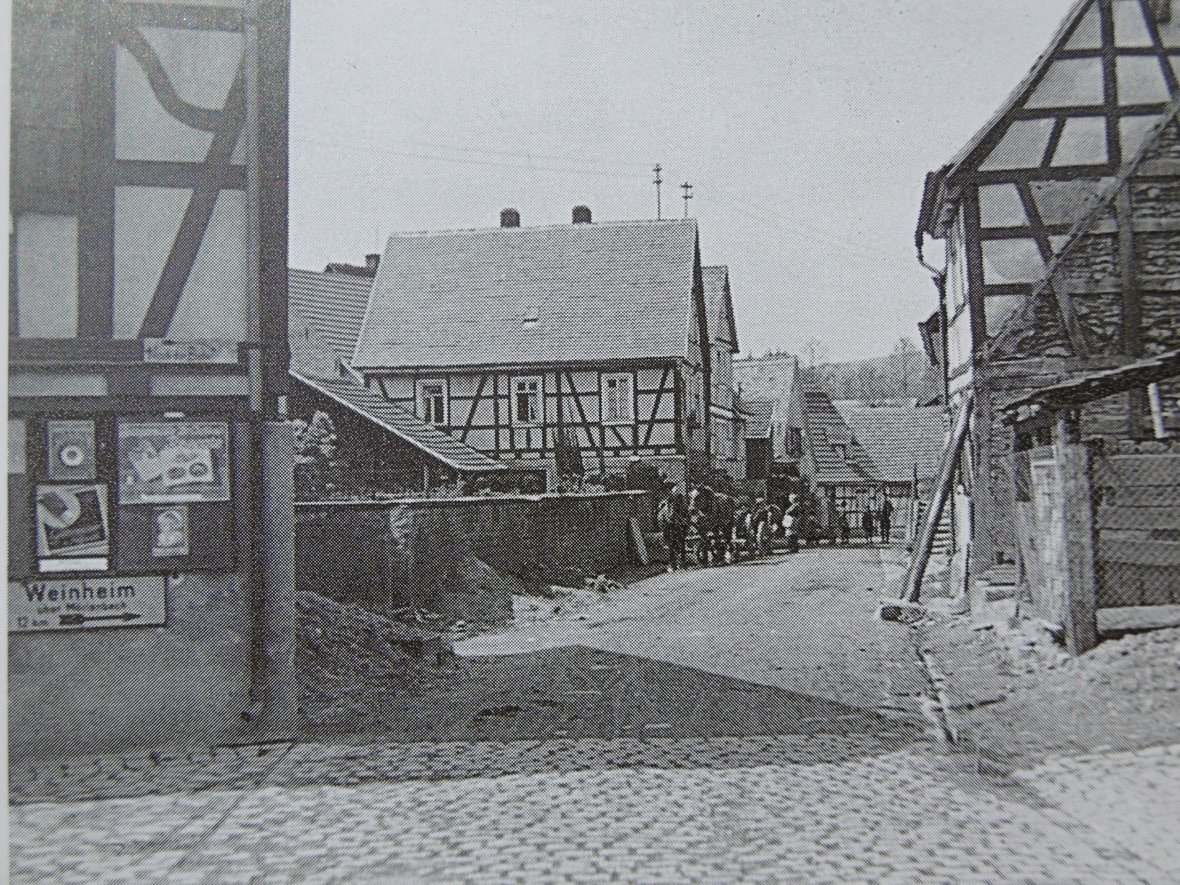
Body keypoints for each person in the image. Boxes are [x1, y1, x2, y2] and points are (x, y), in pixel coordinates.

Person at [658, 483, 690, 571]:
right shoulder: (664, 502)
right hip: (669, 526)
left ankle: (682, 563)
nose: (668, 492)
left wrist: (683, 522)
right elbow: (661, 516)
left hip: (678, 525)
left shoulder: (680, 501)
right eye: (667, 491)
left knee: (681, 543)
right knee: (671, 545)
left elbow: (685, 514)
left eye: (670, 490)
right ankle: (673, 563)